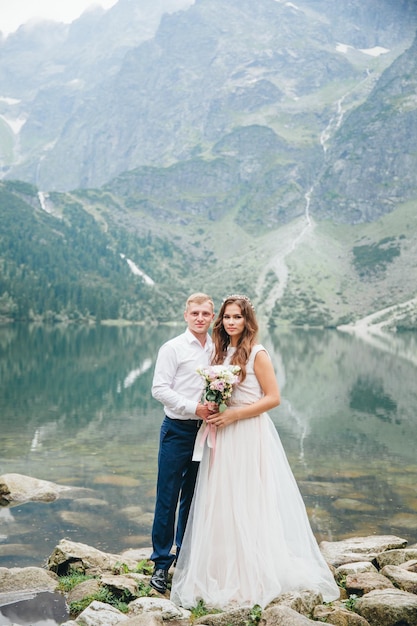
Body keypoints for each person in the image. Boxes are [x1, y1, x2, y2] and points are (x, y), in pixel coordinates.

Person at [171, 294, 340, 609]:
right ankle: (220, 569)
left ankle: (252, 573)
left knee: (247, 499)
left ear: (248, 321)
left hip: (247, 432)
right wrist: (216, 406)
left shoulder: (257, 353)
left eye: (238, 317)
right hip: (223, 433)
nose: (231, 322)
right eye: (227, 317)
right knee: (221, 499)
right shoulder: (221, 351)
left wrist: (234, 414)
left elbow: (273, 398)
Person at [149, 292, 215, 594]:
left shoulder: (217, 349)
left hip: (206, 432)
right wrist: (193, 407)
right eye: (195, 313)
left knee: (195, 495)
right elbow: (159, 389)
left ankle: (185, 556)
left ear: (212, 317)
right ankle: (161, 565)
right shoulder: (172, 348)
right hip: (176, 429)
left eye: (205, 314)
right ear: (185, 315)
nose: (200, 318)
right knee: (168, 497)